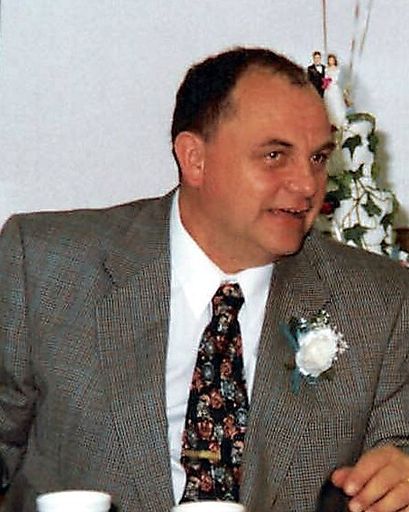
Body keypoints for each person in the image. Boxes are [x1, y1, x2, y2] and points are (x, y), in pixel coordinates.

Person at [0, 47, 408, 512]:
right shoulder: (45, 265)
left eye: (318, 158)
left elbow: (400, 449)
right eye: (275, 155)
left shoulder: (378, 301)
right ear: (194, 159)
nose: (308, 185)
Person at [323, 53, 347, 128]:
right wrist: (326, 82)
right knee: (329, 104)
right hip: (328, 89)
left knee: (337, 103)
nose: (331, 61)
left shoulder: (338, 69)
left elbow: (338, 79)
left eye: (332, 60)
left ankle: (339, 121)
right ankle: (331, 121)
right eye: (330, 60)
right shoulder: (326, 69)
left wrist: (331, 80)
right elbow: (325, 78)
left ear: (334, 61)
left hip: (334, 88)